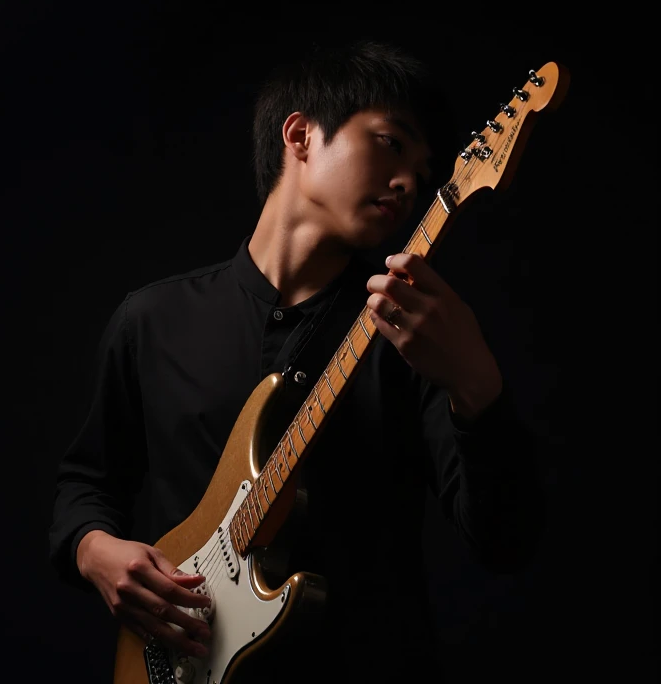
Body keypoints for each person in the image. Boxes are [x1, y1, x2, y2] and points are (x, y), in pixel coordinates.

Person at [49, 38, 546, 683]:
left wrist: (476, 384)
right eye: (392, 143)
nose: (407, 183)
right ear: (301, 135)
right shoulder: (151, 321)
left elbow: (505, 541)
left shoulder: (412, 336)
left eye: (424, 173)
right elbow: (86, 481)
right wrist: (93, 550)